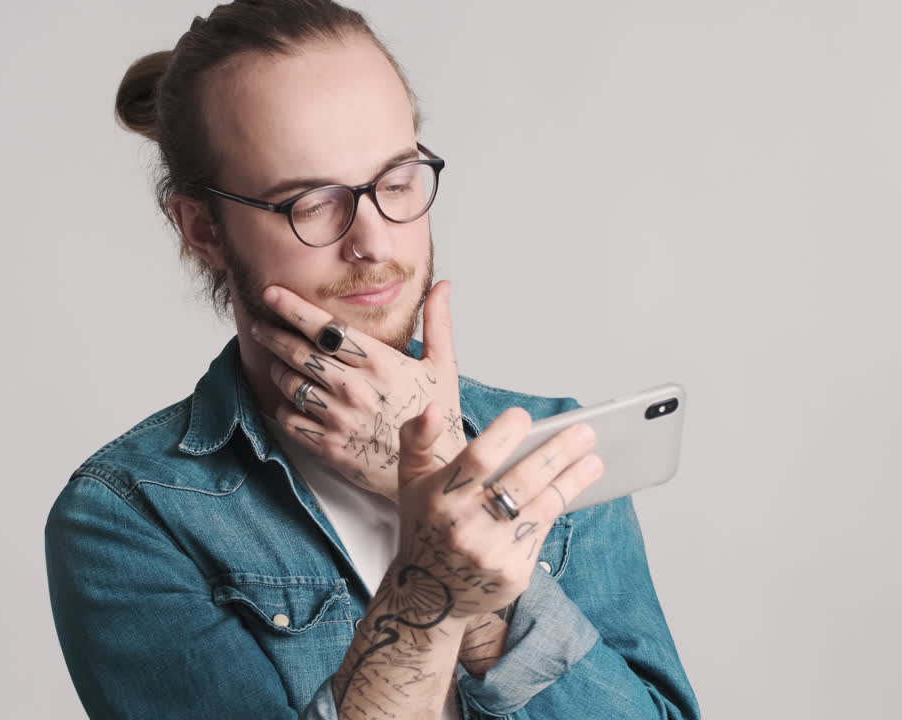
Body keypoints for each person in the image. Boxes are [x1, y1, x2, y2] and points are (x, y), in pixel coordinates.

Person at [44, 1, 700, 718]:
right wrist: (431, 586)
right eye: (309, 201)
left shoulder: (556, 451)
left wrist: (463, 514)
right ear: (203, 228)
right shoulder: (131, 515)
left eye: (396, 182)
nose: (375, 242)